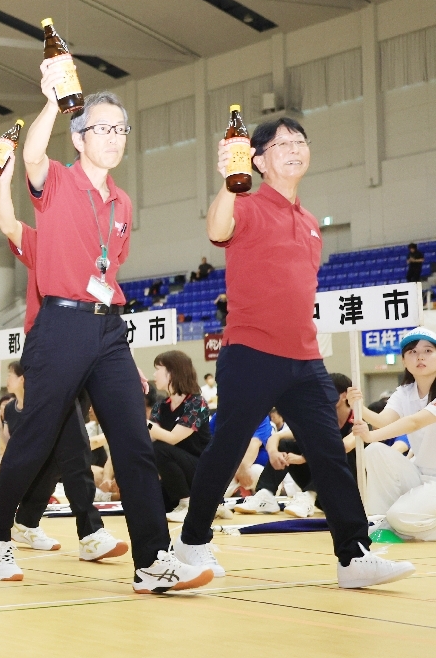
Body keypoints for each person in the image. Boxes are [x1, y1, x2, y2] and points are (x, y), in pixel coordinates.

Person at [173, 116, 413, 589]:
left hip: (304, 358)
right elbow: (217, 230)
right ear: (258, 160)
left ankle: (353, 555)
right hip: (250, 351)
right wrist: (227, 182)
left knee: (329, 453)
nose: (293, 148)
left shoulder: (309, 222)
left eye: (299, 141)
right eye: (281, 143)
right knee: (226, 450)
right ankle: (192, 540)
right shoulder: (245, 202)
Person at [0, 87, 199, 591]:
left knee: (134, 439)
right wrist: (55, 100)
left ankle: (152, 561)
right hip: (59, 325)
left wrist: (116, 343)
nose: (114, 138)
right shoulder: (55, 180)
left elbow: (111, 267)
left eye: (120, 129)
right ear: (78, 137)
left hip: (107, 326)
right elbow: (32, 155)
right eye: (102, 128)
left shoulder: (122, 202)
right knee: (35, 439)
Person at [0, 158, 127, 560]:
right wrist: (4, 182)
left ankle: (27, 520)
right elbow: (8, 224)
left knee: (57, 444)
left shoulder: (95, 250)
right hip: (52, 347)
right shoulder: (42, 242)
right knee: (73, 442)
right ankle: (90, 532)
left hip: (93, 345)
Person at [350, 327, 436, 539]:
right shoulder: (404, 392)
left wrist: (370, 435)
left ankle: (398, 524)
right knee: (375, 451)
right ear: (404, 361)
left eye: (428, 351)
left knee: (400, 517)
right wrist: (358, 406)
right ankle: (381, 520)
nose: (420, 357)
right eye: (412, 352)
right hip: (420, 473)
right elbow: (383, 420)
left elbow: (415, 422)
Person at [236, 374, 359, 519]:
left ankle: (309, 495)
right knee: (286, 444)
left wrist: (302, 458)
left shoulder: (358, 419)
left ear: (344, 395)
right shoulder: (322, 419)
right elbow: (277, 436)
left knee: (337, 450)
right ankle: (266, 494)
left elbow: (344, 446)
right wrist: (274, 452)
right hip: (323, 492)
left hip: (346, 491)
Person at [148, 351, 212, 522]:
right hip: (177, 474)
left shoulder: (196, 403)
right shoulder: (160, 406)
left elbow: (172, 438)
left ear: (172, 372)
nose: (154, 374)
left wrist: (145, 424)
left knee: (160, 448)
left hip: (201, 471)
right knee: (150, 504)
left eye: (158, 369)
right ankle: (200, 505)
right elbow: (151, 437)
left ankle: (187, 504)